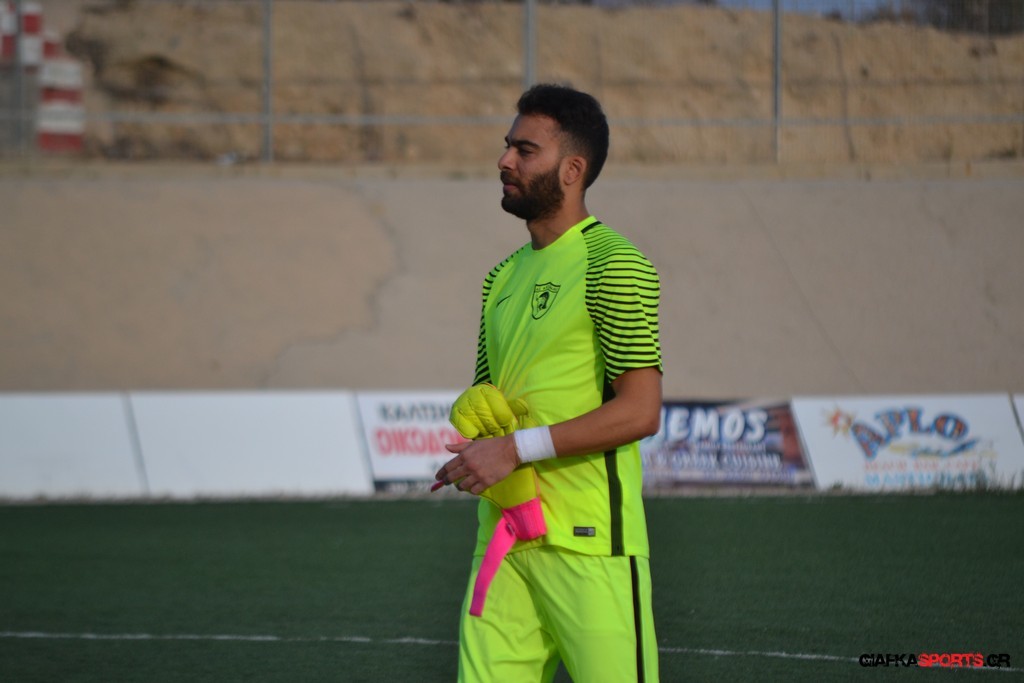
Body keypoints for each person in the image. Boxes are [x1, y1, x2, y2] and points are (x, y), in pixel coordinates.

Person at [435, 83, 663, 682]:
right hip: (503, 545)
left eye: (525, 150)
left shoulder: (614, 263)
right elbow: (493, 409)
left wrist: (514, 449)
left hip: (591, 548)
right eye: (508, 146)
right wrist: (477, 439)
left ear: (572, 170)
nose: (505, 160)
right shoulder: (499, 279)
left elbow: (640, 411)